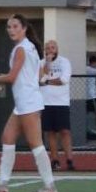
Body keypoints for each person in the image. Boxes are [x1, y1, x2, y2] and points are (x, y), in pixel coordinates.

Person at [0, 14, 57, 192]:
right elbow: (38, 75)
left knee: (35, 144)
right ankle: (2, 185)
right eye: (8, 27)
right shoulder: (29, 47)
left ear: (24, 28)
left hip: (28, 103)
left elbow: (12, 77)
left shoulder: (22, 49)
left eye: (15, 26)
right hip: (23, 103)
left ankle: (50, 187)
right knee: (7, 138)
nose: (11, 30)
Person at [39, 40, 75, 171]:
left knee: (65, 131)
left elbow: (64, 80)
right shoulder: (42, 63)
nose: (50, 50)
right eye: (47, 48)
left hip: (61, 102)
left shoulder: (64, 62)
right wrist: (47, 62)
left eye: (52, 47)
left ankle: (69, 159)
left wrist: (47, 81)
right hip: (46, 102)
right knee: (51, 132)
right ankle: (54, 160)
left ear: (57, 49)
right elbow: (40, 80)